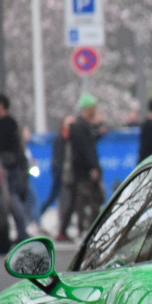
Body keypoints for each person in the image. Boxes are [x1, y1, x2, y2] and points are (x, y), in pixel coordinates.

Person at [0, 93, 31, 245]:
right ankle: (21, 231)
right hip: (11, 165)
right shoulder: (5, 122)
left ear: (0, 105)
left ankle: (22, 232)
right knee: (13, 199)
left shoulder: (5, 123)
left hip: (8, 166)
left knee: (12, 198)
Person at [62, 92, 106, 237]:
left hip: (84, 171)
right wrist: (92, 167)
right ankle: (85, 230)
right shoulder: (80, 127)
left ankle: (87, 228)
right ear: (88, 108)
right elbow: (85, 149)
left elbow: (89, 145)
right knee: (85, 201)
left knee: (87, 200)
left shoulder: (83, 126)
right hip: (84, 173)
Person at [41, 116, 74, 239]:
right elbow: (58, 159)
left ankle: (64, 225)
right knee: (57, 198)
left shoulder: (69, 139)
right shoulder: (60, 139)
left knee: (65, 200)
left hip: (65, 174)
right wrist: (58, 173)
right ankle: (40, 217)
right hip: (60, 175)